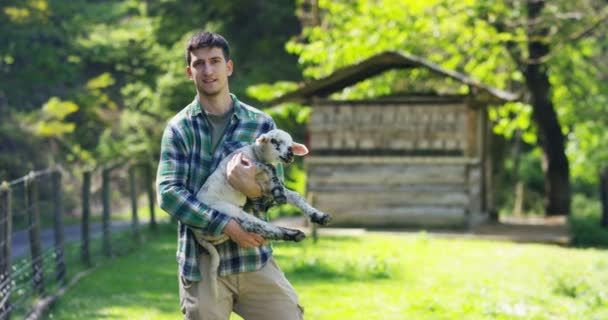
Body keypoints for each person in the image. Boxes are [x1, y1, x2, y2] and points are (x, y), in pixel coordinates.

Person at [156, 31, 304, 320]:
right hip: (201, 263)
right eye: (199, 64)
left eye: (215, 61)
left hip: (253, 258)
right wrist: (225, 224)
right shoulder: (178, 129)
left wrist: (252, 189)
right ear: (189, 72)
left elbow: (277, 193)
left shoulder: (261, 124)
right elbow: (169, 193)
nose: (208, 70)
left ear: (229, 67)